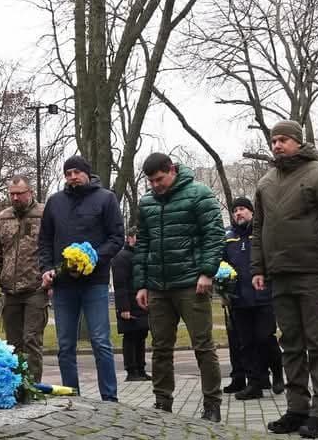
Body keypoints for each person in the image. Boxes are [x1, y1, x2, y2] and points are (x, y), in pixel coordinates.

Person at [253, 120, 318, 440]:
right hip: (280, 274)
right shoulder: (265, 182)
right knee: (290, 343)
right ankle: (297, 407)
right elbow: (259, 229)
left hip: (313, 272)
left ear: (298, 141)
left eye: (283, 140)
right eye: (273, 141)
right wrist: (258, 269)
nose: (277, 145)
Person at [133, 153, 225, 422]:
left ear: (172, 170)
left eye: (159, 179)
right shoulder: (147, 202)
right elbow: (143, 245)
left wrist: (207, 272)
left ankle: (212, 403)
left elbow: (214, 234)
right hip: (158, 286)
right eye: (150, 181)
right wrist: (141, 285)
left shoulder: (199, 194)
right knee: (160, 346)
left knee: (203, 345)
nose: (155, 186)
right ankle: (162, 401)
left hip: (191, 283)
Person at [37, 155, 124, 401]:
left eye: (76, 172)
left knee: (100, 341)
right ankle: (71, 395)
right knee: (65, 345)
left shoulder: (106, 199)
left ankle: (109, 397)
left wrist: (94, 256)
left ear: (87, 173)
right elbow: (44, 241)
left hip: (94, 282)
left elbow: (117, 237)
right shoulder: (55, 202)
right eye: (68, 173)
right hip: (63, 284)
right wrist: (47, 268)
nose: (72, 177)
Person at [0, 176, 48, 385]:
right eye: (11, 193)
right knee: (12, 344)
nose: (14, 197)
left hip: (35, 288)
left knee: (31, 340)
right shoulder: (2, 219)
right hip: (9, 291)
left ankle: (32, 387)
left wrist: (51, 277)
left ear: (29, 192)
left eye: (19, 193)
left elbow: (53, 247)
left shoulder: (44, 214)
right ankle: (15, 386)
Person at [222, 197, 284, 400]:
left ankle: (276, 371)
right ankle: (254, 383)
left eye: (242, 209)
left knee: (265, 338)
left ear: (251, 212)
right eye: (235, 210)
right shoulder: (228, 238)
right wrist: (223, 288)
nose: (238, 213)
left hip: (263, 297)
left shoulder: (261, 235)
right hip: (239, 300)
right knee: (246, 343)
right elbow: (222, 266)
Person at [112, 228, 150, 381]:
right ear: (129, 238)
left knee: (141, 335)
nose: (139, 241)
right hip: (128, 302)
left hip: (141, 303)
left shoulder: (141, 256)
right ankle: (131, 370)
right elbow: (119, 284)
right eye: (136, 237)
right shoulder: (121, 257)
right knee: (130, 337)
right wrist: (123, 308)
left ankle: (141, 368)